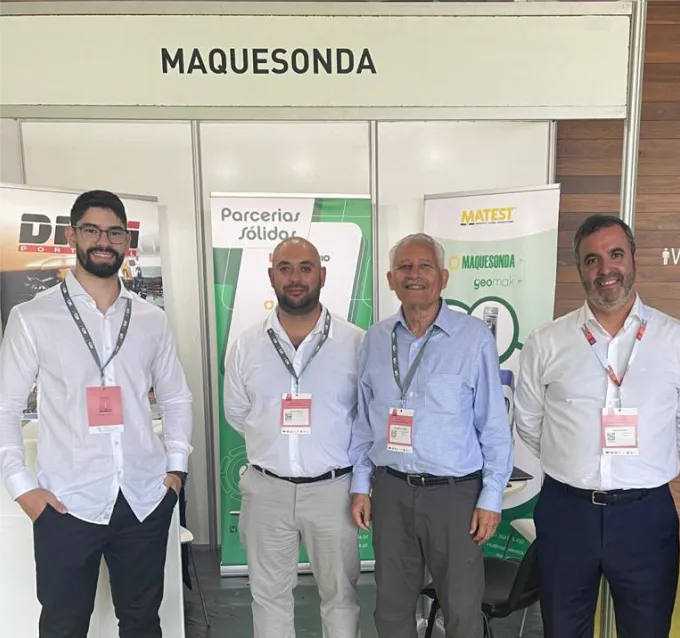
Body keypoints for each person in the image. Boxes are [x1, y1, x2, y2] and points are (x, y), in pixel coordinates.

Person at [0, 189, 193, 638]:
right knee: (64, 626)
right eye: (92, 229)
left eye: (114, 231)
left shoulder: (151, 319)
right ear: (72, 235)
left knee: (143, 623)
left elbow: (177, 397)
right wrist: (22, 488)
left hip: (144, 499)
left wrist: (176, 470)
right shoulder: (33, 318)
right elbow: (5, 406)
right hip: (66, 503)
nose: (103, 240)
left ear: (127, 240)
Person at [513, 214, 680, 638]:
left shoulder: (678, 341)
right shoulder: (546, 342)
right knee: (563, 630)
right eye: (591, 260)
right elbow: (529, 422)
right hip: (567, 512)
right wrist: (572, 461)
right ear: (580, 270)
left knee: (646, 630)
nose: (605, 269)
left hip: (646, 515)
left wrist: (648, 466)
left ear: (633, 259)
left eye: (615, 254)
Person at [349, 233, 513, 638]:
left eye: (424, 266)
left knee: (461, 609)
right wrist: (360, 485)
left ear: (442, 277)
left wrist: (491, 497)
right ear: (390, 279)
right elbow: (363, 421)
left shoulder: (473, 338)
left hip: (455, 496)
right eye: (404, 267)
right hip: (391, 491)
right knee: (390, 607)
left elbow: (493, 423)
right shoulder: (375, 339)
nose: (414, 274)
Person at [223, 237, 364, 638]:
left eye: (306, 267)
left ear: (322, 274)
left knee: (340, 596)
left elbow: (365, 420)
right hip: (267, 489)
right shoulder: (246, 345)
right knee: (268, 598)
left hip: (334, 490)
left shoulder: (355, 342)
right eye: (285, 268)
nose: (296, 278)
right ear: (271, 276)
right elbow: (237, 412)